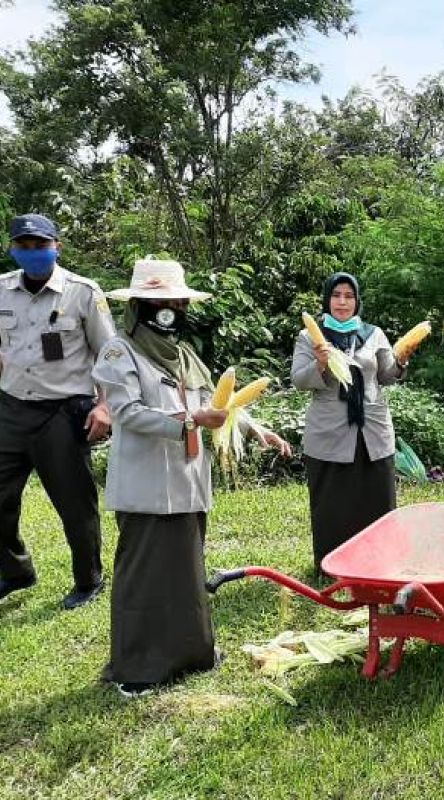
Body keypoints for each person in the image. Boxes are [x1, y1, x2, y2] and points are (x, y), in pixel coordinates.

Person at [94, 258, 291, 697]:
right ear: (141, 305)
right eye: (162, 301)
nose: (172, 308)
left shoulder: (185, 356)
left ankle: (190, 654)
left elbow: (219, 406)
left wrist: (256, 428)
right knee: (144, 575)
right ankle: (139, 667)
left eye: (178, 301)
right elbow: (127, 413)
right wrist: (188, 419)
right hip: (146, 486)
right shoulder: (119, 351)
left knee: (185, 572)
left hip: (187, 481)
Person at [0, 213, 115, 609]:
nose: (32, 253)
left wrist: (105, 406)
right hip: (11, 410)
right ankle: (16, 571)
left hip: (63, 413)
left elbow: (110, 355)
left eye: (40, 246)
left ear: (56, 247)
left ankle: (89, 580)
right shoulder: (1, 290)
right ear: (13, 248)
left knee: (74, 503)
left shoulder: (82, 292)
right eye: (24, 247)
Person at [291, 272, 408, 573]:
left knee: (376, 498)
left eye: (349, 296)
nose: (342, 302)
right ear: (327, 299)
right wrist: (320, 362)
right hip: (330, 430)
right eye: (336, 295)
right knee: (332, 502)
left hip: (372, 429)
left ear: (357, 301)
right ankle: (332, 566)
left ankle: (378, 564)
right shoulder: (310, 337)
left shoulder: (374, 334)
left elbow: (385, 375)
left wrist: (403, 362)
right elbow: (299, 380)